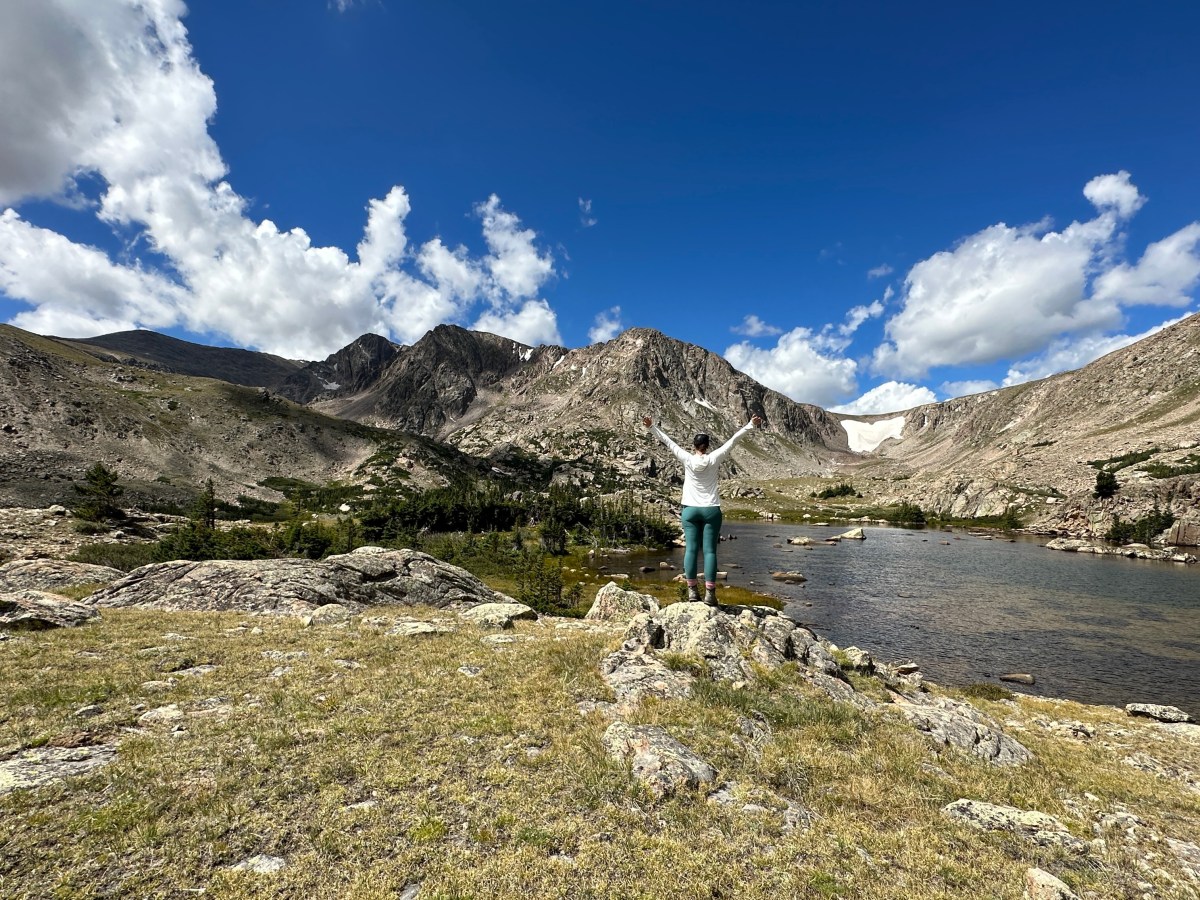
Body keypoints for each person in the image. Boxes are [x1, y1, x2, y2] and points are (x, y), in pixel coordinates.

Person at [643, 413, 763, 605]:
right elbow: (733, 440)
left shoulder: (687, 458)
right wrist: (750, 424)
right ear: (707, 446)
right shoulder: (715, 457)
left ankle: (692, 591)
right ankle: (710, 594)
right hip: (711, 510)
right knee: (710, 552)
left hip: (690, 509)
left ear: (694, 446)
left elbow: (668, 442)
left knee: (690, 550)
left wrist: (651, 427)